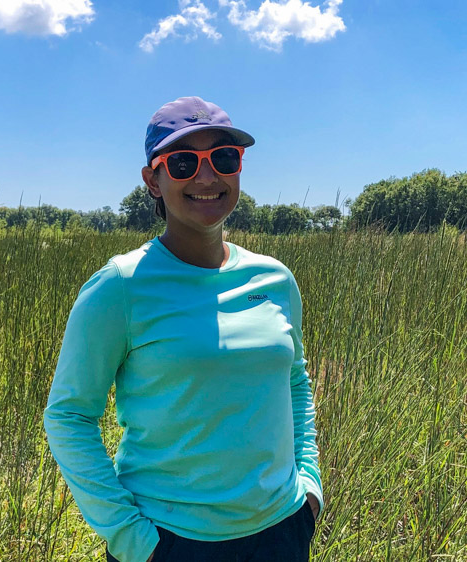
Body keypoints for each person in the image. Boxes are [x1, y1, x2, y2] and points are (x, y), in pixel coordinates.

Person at [43, 96, 323, 562]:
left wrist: (309, 487)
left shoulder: (275, 278)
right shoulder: (120, 286)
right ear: (152, 180)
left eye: (224, 158)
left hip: (281, 531)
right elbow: (69, 416)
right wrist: (135, 541)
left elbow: (295, 380)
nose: (207, 176)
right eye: (183, 163)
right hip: (171, 541)